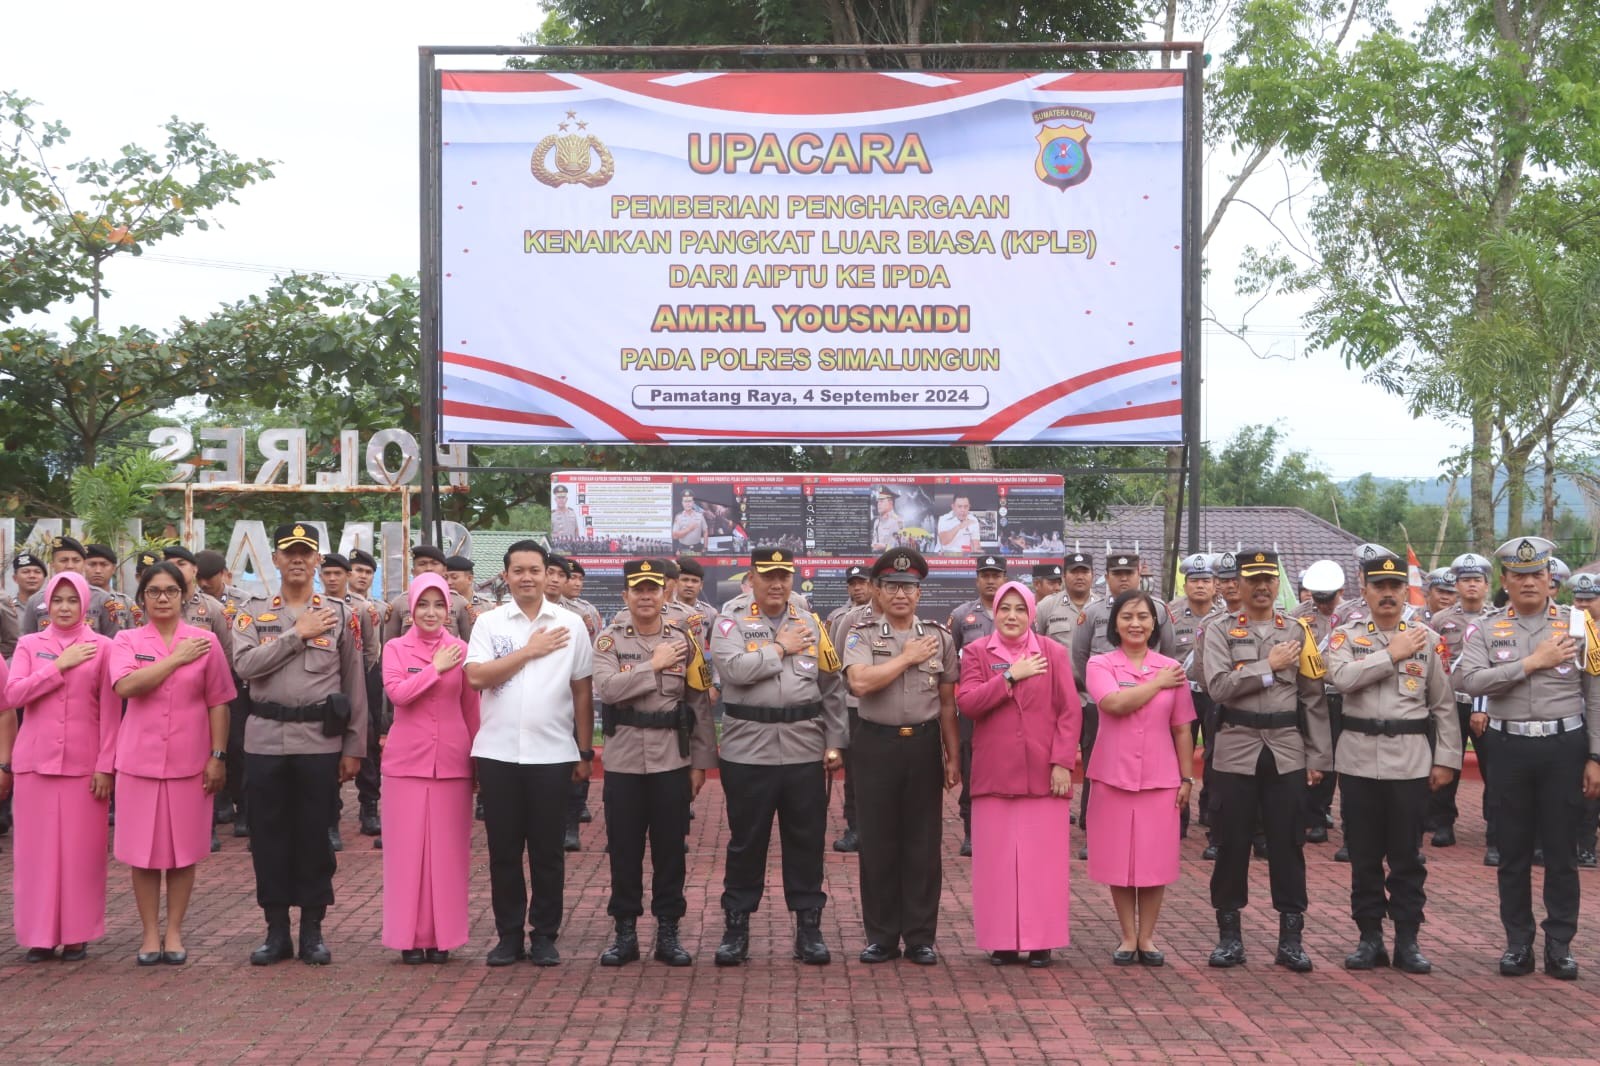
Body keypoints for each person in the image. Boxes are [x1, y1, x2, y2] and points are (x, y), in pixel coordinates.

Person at [1456, 536, 1600, 980]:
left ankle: (1560, 945)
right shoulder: (1485, 627)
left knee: (1562, 852)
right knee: (1513, 851)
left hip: (1564, 747)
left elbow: (1594, 693)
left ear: (1551, 580)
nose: (1530, 582)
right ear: (1506, 581)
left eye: (1538, 574)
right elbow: (1470, 680)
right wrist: (1531, 663)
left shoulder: (1580, 625)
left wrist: (1595, 755)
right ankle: (1518, 943)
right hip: (1509, 748)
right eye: (1519, 575)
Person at [232, 522, 369, 966]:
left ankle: (312, 930)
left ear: (317, 561)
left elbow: (354, 684)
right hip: (266, 740)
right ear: (274, 559)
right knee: (267, 838)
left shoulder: (340, 614)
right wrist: (298, 634)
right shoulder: (251, 613)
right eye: (288, 552)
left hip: (318, 742)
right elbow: (246, 666)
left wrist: (354, 748)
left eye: (305, 552)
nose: (297, 559)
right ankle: (276, 932)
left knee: (315, 838)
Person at [709, 547, 847, 966]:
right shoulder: (730, 620)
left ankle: (809, 928)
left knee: (805, 841)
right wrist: (780, 648)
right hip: (748, 748)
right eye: (767, 576)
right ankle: (737, 929)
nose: (776, 584)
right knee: (747, 842)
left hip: (804, 747)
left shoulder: (810, 623)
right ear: (751, 578)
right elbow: (732, 670)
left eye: (784, 576)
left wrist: (835, 739)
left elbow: (832, 684)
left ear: (792, 578)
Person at [1325, 548, 1460, 974]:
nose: (1387, 594)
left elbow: (1443, 706)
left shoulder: (1429, 640)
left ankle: (1408, 939)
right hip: (1359, 760)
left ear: (1406, 591)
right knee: (1363, 856)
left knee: (1407, 857)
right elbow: (1341, 679)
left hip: (1410, 762)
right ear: (1363, 589)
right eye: (1379, 586)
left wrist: (1447, 760)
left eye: (1395, 586)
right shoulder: (1345, 637)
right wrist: (1391, 653)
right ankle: (1369, 938)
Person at [1200, 549, 1332, 973]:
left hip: (1286, 749)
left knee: (1288, 844)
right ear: (1236, 583)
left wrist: (1318, 756)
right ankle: (1229, 938)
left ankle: (1291, 939)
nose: (1260, 586)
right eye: (1252, 578)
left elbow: (1313, 698)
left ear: (1278, 584)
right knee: (1231, 844)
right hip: (1236, 747)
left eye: (1268, 578)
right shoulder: (1218, 629)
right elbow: (1218, 687)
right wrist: (1268, 667)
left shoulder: (1298, 630)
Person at [465, 540, 594, 968]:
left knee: (547, 852)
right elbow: (477, 677)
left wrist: (584, 749)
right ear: (505, 576)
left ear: (546, 574)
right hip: (498, 753)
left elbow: (582, 690)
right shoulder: (489, 622)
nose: (526, 577)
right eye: (517, 570)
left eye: (534, 570)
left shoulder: (571, 625)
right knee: (503, 851)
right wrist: (528, 652)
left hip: (553, 754)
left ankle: (544, 934)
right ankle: (507, 935)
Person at [590, 560, 716, 966]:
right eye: (637, 590)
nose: (645, 596)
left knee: (670, 852)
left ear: (666, 594)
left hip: (671, 760)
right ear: (625, 596)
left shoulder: (684, 640)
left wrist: (700, 763)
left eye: (653, 589)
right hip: (624, 761)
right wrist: (653, 665)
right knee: (624, 852)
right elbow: (608, 690)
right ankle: (625, 933)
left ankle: (669, 933)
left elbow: (697, 703)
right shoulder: (609, 641)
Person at [107, 562, 234, 966]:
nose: (163, 598)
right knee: (141, 854)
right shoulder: (126, 639)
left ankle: (175, 931)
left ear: (184, 596)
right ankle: (148, 934)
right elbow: (127, 686)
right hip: (138, 762)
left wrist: (217, 755)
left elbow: (218, 701)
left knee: (183, 852)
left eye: (171, 591)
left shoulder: (206, 641)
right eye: (154, 591)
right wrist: (175, 659)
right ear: (141, 597)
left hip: (190, 761)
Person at [842, 548, 960, 965]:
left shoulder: (939, 637)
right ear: (876, 589)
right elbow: (859, 683)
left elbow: (947, 702)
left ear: (919, 594)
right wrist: (907, 656)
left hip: (924, 744)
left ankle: (920, 936)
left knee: (922, 844)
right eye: (891, 586)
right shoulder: (861, 633)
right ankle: (882, 936)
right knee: (877, 843)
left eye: (909, 588)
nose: (900, 594)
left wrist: (952, 755)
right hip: (875, 744)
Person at [957, 580, 1081, 967]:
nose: (1011, 616)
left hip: (1043, 774)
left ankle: (1041, 940)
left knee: (1042, 862)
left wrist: (1062, 761)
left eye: (1020, 609)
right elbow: (969, 703)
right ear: (994, 612)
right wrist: (1010, 676)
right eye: (1004, 608)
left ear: (1032, 614)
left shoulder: (1053, 652)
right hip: (995, 774)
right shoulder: (977, 652)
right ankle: (1003, 941)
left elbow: (1069, 710)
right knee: (997, 863)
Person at [0, 571, 120, 962]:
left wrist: (106, 765)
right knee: (35, 855)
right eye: (57, 600)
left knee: (81, 854)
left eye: (72, 600)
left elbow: (110, 711)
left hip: (85, 766)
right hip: (34, 763)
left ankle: (76, 934)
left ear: (85, 604)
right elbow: (14, 693)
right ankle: (38, 935)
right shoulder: (30, 644)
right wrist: (59, 666)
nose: (65, 608)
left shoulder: (102, 646)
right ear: (46, 605)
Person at [1083, 588, 1196, 965]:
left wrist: (1186, 779)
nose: (1135, 623)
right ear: (1115, 622)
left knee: (1154, 862)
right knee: (1119, 860)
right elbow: (1113, 704)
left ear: (1154, 623)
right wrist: (1156, 685)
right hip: (1113, 775)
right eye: (1128, 616)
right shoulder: (1101, 664)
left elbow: (1182, 728)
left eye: (1143, 617)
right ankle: (1127, 937)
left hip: (1161, 777)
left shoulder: (1172, 668)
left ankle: (1147, 938)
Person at [380, 572, 480, 964]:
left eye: (440, 605)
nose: (431, 612)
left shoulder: (463, 649)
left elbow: (471, 710)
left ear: (450, 610)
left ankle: (443, 938)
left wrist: (477, 765)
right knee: (406, 854)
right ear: (410, 609)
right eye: (423, 604)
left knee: (448, 855)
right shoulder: (395, 648)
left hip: (452, 763)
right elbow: (398, 695)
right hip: (406, 763)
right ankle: (409, 937)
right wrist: (434, 668)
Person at [1071, 551, 1176, 850]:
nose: (1124, 578)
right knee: (1098, 766)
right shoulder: (1092, 613)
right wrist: (1099, 687)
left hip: (1153, 700)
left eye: (1129, 573)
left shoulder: (1157, 609)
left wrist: (1154, 685)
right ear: (1107, 577)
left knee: (1150, 765)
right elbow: (1080, 654)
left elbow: (1167, 651)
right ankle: (1096, 831)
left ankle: (1147, 833)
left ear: (1138, 575)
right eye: (1117, 574)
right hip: (1103, 701)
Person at [1426, 552, 1499, 860]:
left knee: (1494, 769)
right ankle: (1444, 823)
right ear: (1456, 585)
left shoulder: (1499, 619)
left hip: (1489, 704)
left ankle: (1495, 830)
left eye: (1477, 580)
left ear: (1487, 585)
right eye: (1465, 580)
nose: (1471, 586)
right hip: (1451, 702)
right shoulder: (1442, 620)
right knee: (1447, 761)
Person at [948, 554, 1008, 856]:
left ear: (1005, 578)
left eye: (996, 575)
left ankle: (1001, 828)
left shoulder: (1017, 614)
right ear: (977, 579)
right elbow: (952, 658)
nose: (990, 580)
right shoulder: (961, 615)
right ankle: (971, 831)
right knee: (971, 767)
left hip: (1009, 705)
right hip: (973, 704)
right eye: (985, 574)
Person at [1291, 560, 1346, 848]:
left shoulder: (1351, 615)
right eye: (1318, 599)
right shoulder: (1298, 615)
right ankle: (1313, 817)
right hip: (1311, 695)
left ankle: (1324, 810)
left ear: (1341, 592)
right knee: (1314, 752)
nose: (1324, 605)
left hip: (1343, 694)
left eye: (1330, 598)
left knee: (1337, 755)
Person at [1167, 553, 1219, 839]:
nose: (1200, 586)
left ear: (1215, 586)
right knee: (1179, 752)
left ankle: (1210, 811)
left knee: (1214, 753)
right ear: (1185, 585)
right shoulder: (1170, 614)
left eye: (1206, 581)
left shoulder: (1225, 615)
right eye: (1194, 581)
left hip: (1213, 693)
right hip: (1180, 693)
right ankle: (1179, 816)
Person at [827, 564, 874, 854]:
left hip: (883, 707)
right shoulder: (839, 618)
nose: (857, 588)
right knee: (855, 770)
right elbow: (833, 665)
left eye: (862, 582)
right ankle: (855, 826)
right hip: (853, 705)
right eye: (852, 583)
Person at [19, 537, 123, 637]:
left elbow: (112, 640)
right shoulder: (36, 600)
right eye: (63, 560)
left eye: (76, 560)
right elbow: (29, 639)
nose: (70, 565)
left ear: (84, 564)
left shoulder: (103, 599)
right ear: (52, 565)